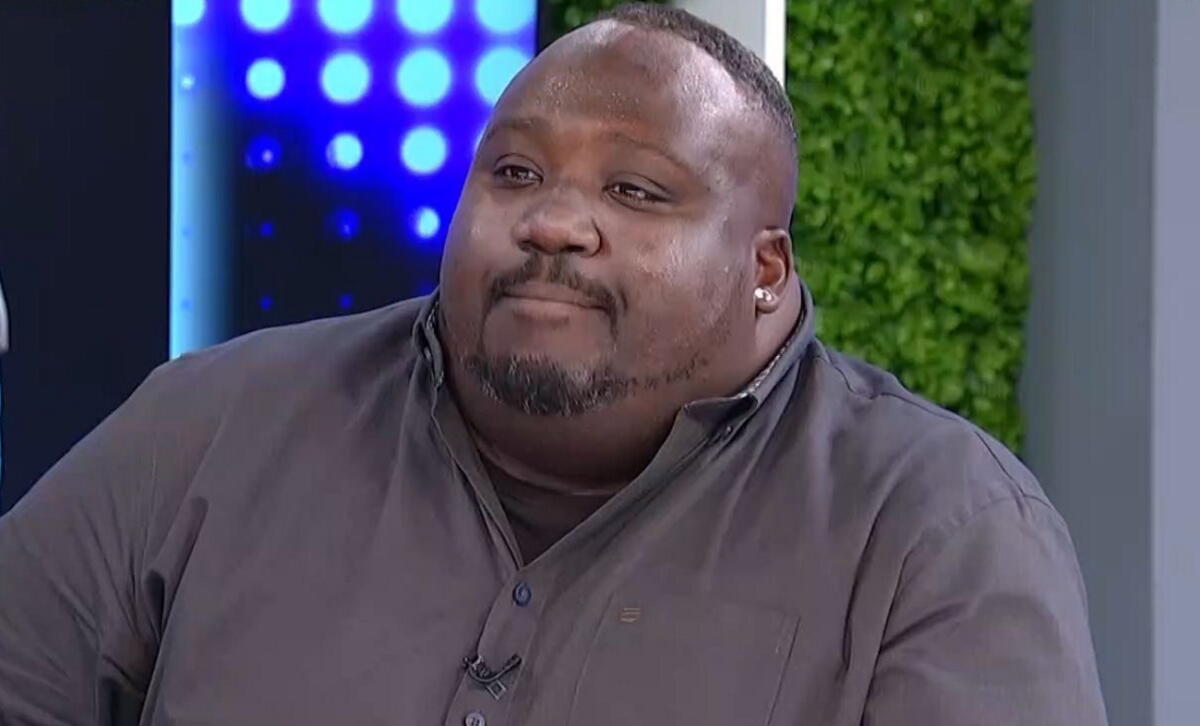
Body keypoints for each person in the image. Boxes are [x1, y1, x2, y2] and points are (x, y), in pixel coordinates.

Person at [0, 4, 1107, 724]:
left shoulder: (934, 530)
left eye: (635, 191)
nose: (553, 224)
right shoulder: (220, 422)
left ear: (765, 269)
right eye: (516, 175)